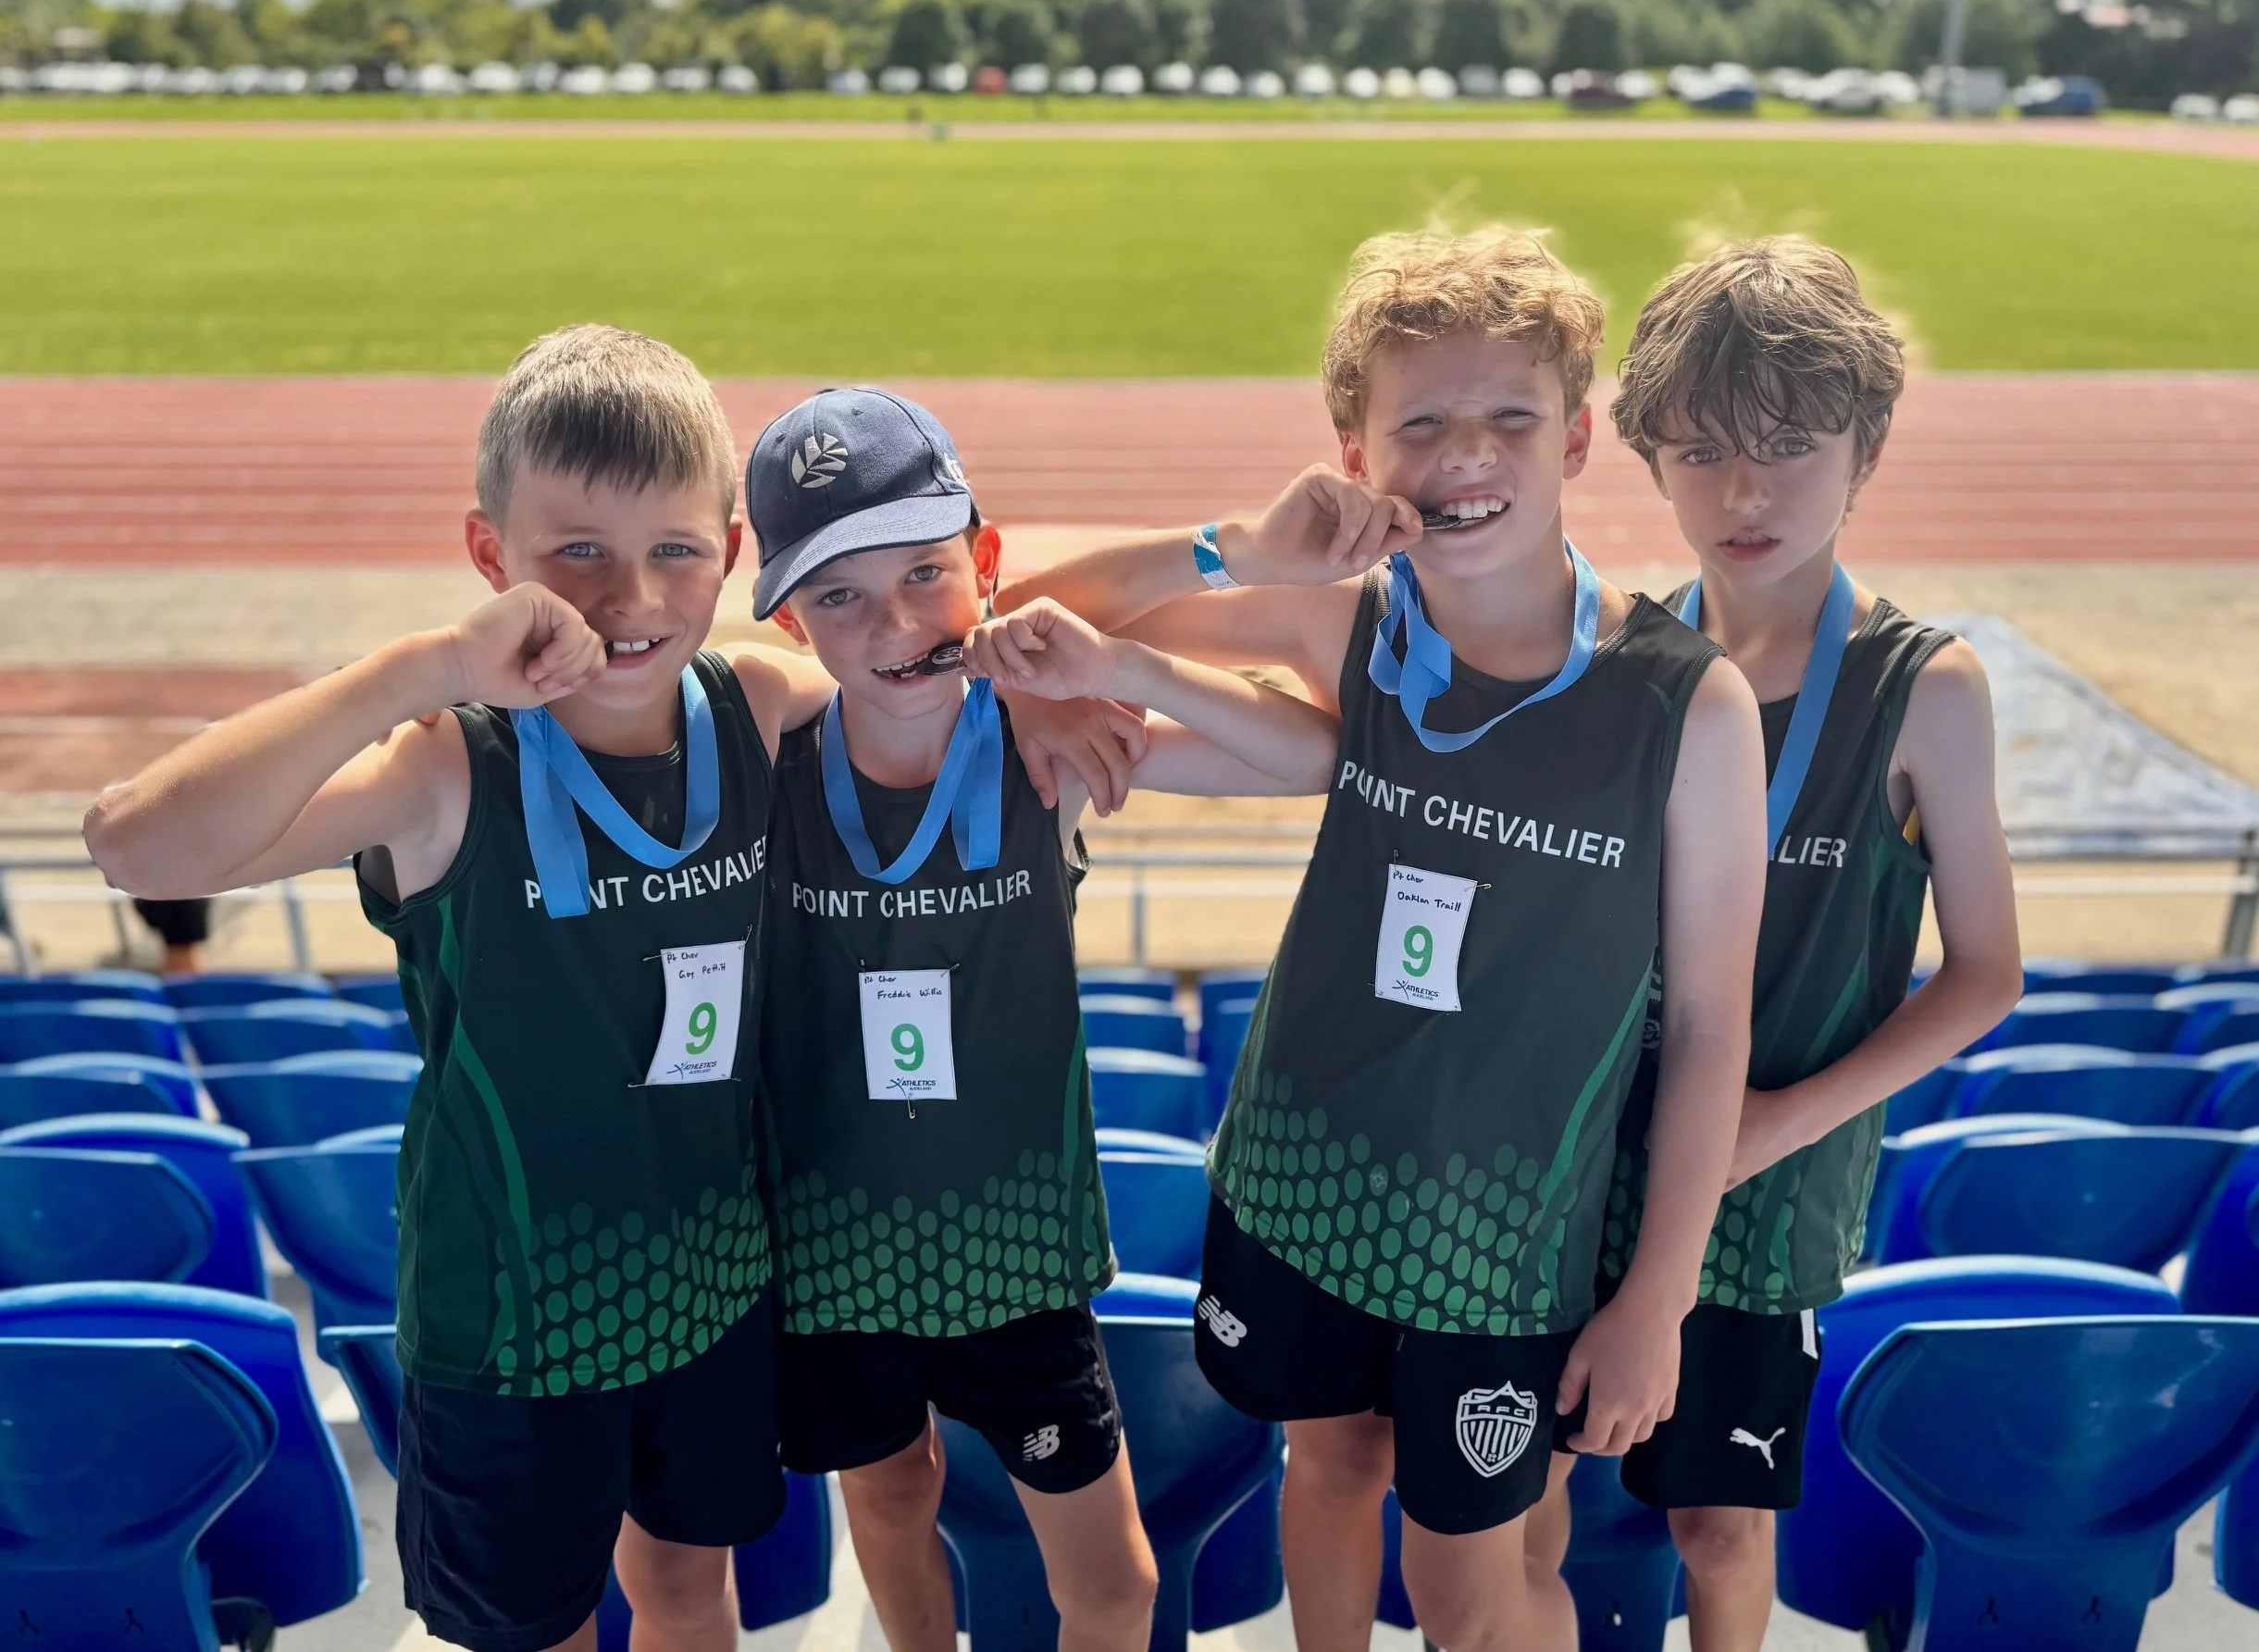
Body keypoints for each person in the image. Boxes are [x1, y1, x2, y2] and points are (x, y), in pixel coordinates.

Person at [81, 329, 1133, 1652]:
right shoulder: (447, 770)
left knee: (694, 1594)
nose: (630, 594)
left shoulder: (753, 702)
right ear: (489, 556)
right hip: (516, 1323)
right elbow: (135, 843)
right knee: (545, 1629)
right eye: (577, 550)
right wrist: (424, 670)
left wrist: (1021, 690)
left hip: (710, 1293)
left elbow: (918, 649)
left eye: (675, 550)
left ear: (735, 553)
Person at [994, 227, 1770, 1652]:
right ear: (1355, 453)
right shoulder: (1349, 622)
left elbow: (1715, 1024)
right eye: (1420, 421)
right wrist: (1236, 542)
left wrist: (1659, 1296)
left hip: (1511, 1230)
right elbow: (1018, 615)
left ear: (1580, 437)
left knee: (1477, 1581)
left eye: (1510, 417)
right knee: (1331, 1464)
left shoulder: (1685, 703)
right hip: (1307, 1178)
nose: (1466, 452)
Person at [749, 386, 1340, 1652]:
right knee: (893, 1495)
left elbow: (1317, 758)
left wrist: (1107, 659)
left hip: (1013, 1257)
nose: (897, 623)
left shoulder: (1046, 750)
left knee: (1114, 1584)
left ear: (989, 565)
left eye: (925, 573)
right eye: (840, 597)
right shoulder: (767, 756)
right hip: (830, 1244)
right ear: (795, 618)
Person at [1535, 237, 2023, 1652]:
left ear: (1866, 446)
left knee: (1720, 1519)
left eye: (1788, 449)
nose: (1742, 495)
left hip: (1772, 1194)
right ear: (1645, 457)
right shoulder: (1623, 657)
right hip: (1579, 1165)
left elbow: (1987, 971)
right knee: (1537, 1485)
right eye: (1698, 454)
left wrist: (1779, 1122)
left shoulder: (1923, 686)